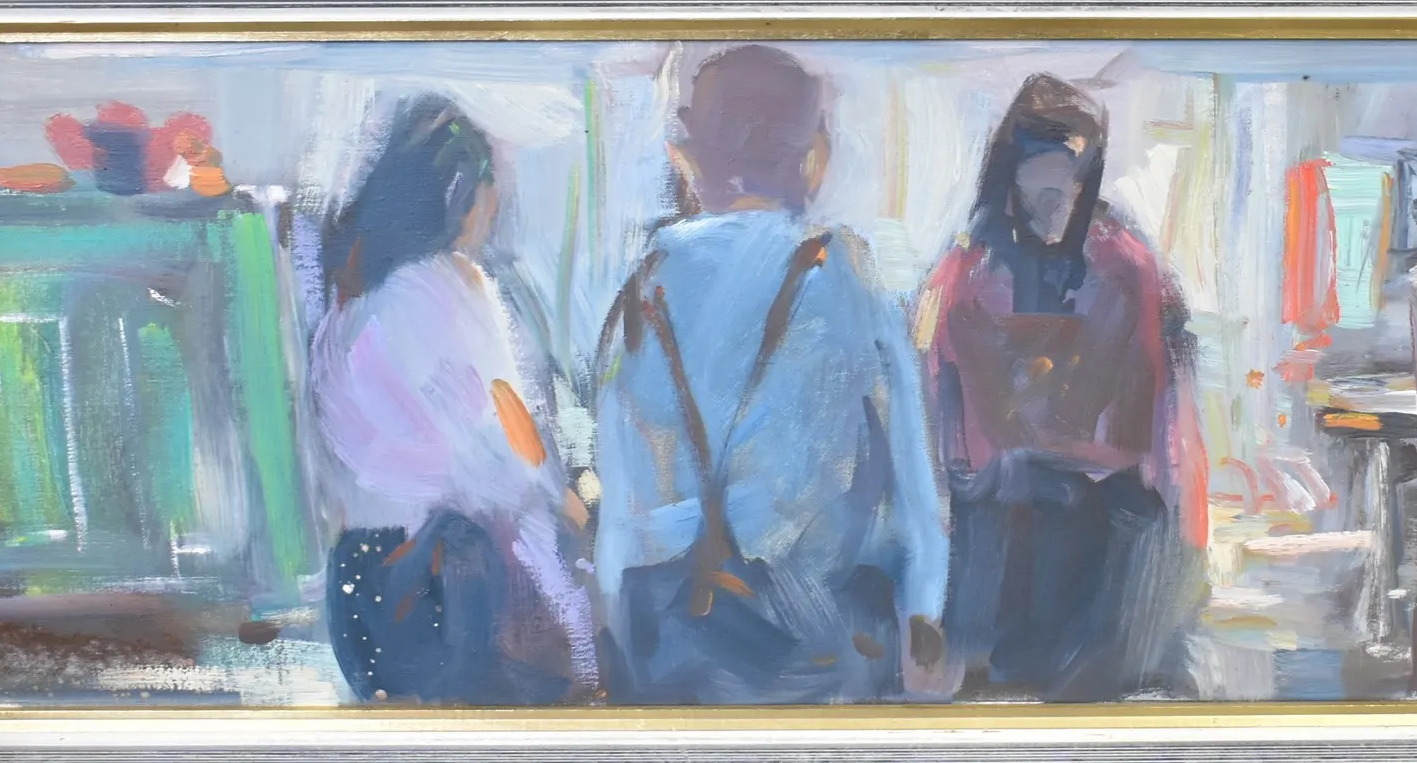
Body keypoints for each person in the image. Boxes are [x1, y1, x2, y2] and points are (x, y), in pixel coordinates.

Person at [590, 45, 950, 704]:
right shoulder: (846, 273)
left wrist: (613, 621)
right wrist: (924, 608)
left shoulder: (646, 286)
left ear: (688, 156)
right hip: (819, 632)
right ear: (813, 155)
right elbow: (912, 481)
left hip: (669, 635)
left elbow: (621, 495)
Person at [917, 74, 1207, 699]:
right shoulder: (968, 271)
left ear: (1087, 179)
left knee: (1096, 681)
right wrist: (957, 485)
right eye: (1039, 180)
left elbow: (1161, 391)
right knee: (996, 685)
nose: (1055, 200)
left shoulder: (1126, 264)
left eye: (1070, 181)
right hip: (1000, 508)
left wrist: (1169, 496)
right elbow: (943, 392)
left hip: (1104, 509)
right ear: (1010, 179)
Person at [308, 97, 596, 704]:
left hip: (360, 586)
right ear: (462, 194)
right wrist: (566, 502)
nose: (495, 208)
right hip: (453, 580)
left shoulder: (346, 303)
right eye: (491, 192)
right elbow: (506, 434)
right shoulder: (455, 284)